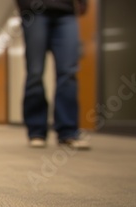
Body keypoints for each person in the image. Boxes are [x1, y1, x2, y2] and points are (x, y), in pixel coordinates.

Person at [16, 0, 90, 149]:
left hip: (66, 11)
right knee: (35, 72)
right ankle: (36, 130)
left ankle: (68, 132)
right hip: (34, 10)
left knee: (68, 72)